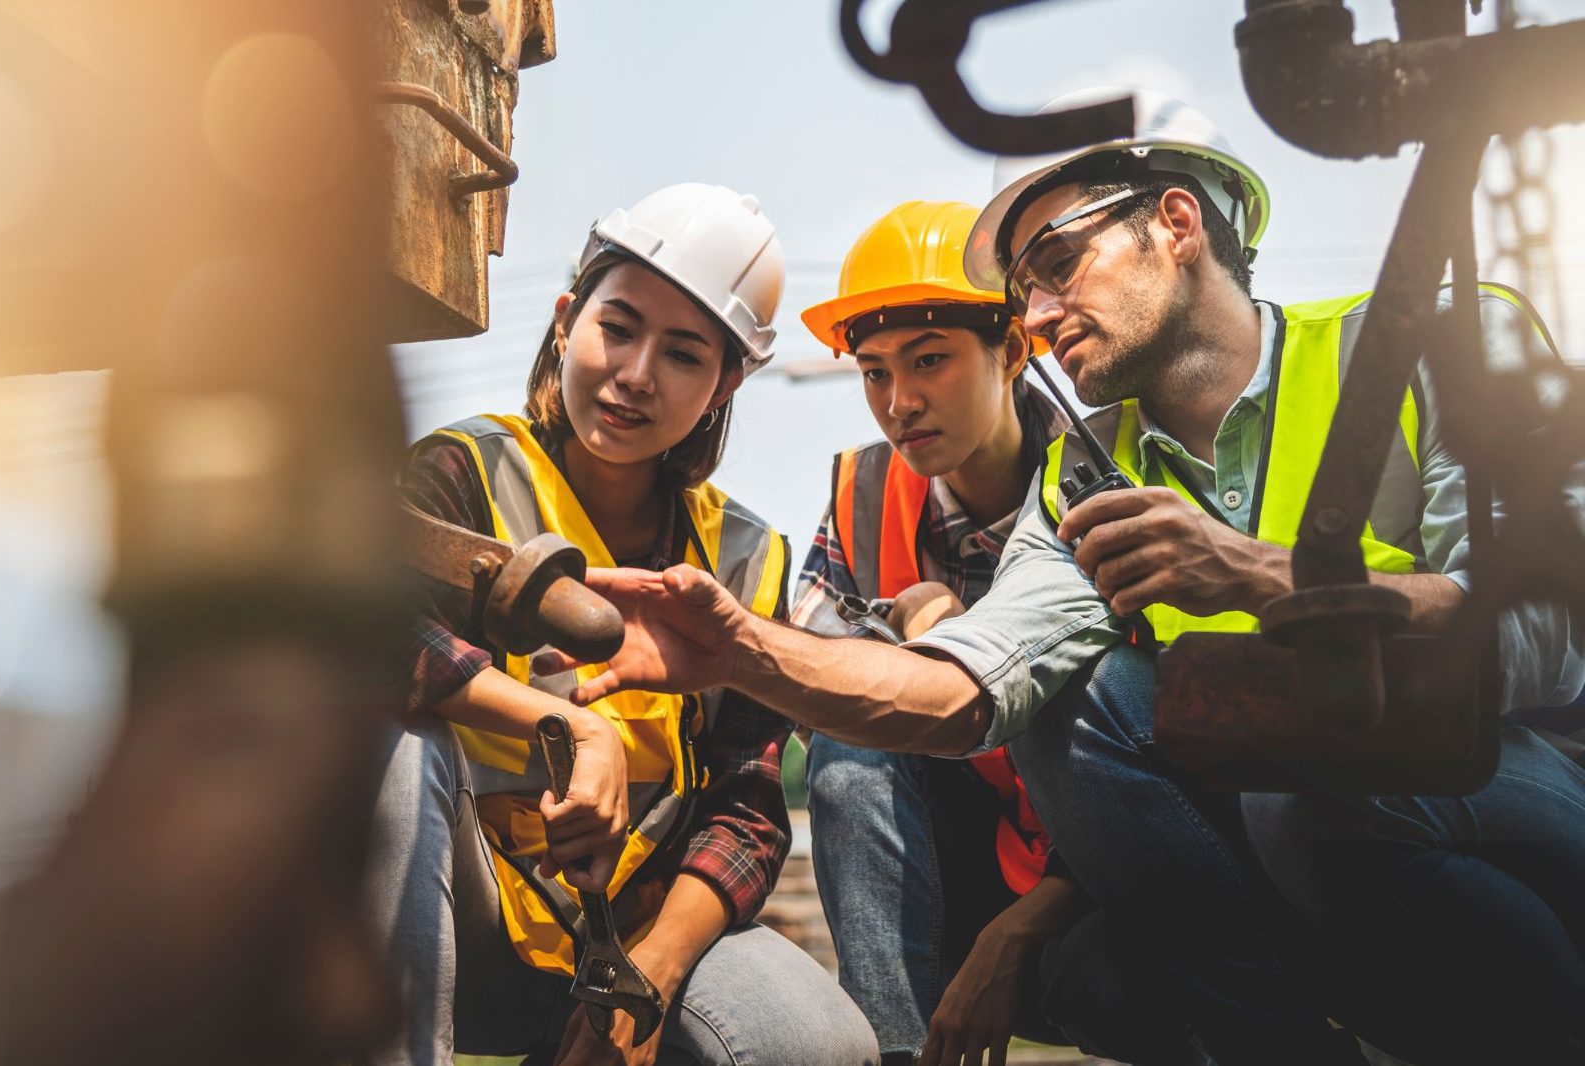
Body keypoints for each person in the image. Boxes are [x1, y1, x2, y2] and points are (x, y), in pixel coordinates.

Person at [535, 91, 1585, 1066]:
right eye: (1021, 290)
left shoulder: (1435, 346)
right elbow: (970, 687)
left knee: (1298, 791)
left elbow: (1546, 634)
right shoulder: (1083, 476)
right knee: (1085, 712)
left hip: (1512, 778)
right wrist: (744, 653)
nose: (1034, 313)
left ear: (1175, 223)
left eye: (1054, 263)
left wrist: (1264, 577)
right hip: (1281, 824)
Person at [365, 183, 879, 1066]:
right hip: (465, 924)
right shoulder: (462, 474)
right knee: (385, 742)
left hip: (636, 928)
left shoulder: (749, 556)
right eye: (618, 327)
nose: (637, 374)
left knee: (816, 1046)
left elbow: (746, 808)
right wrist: (567, 723)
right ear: (567, 319)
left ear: (728, 381)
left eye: (684, 353)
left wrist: (648, 975)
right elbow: (374, 640)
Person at [794, 200, 1206, 1066]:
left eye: (930, 360)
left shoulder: (1108, 484)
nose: (899, 402)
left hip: (1099, 891)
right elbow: (813, 681)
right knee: (849, 736)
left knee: (1112, 987)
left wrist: (1013, 937)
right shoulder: (859, 503)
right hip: (952, 877)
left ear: (1015, 350)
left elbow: (1158, 757)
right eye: (873, 372)